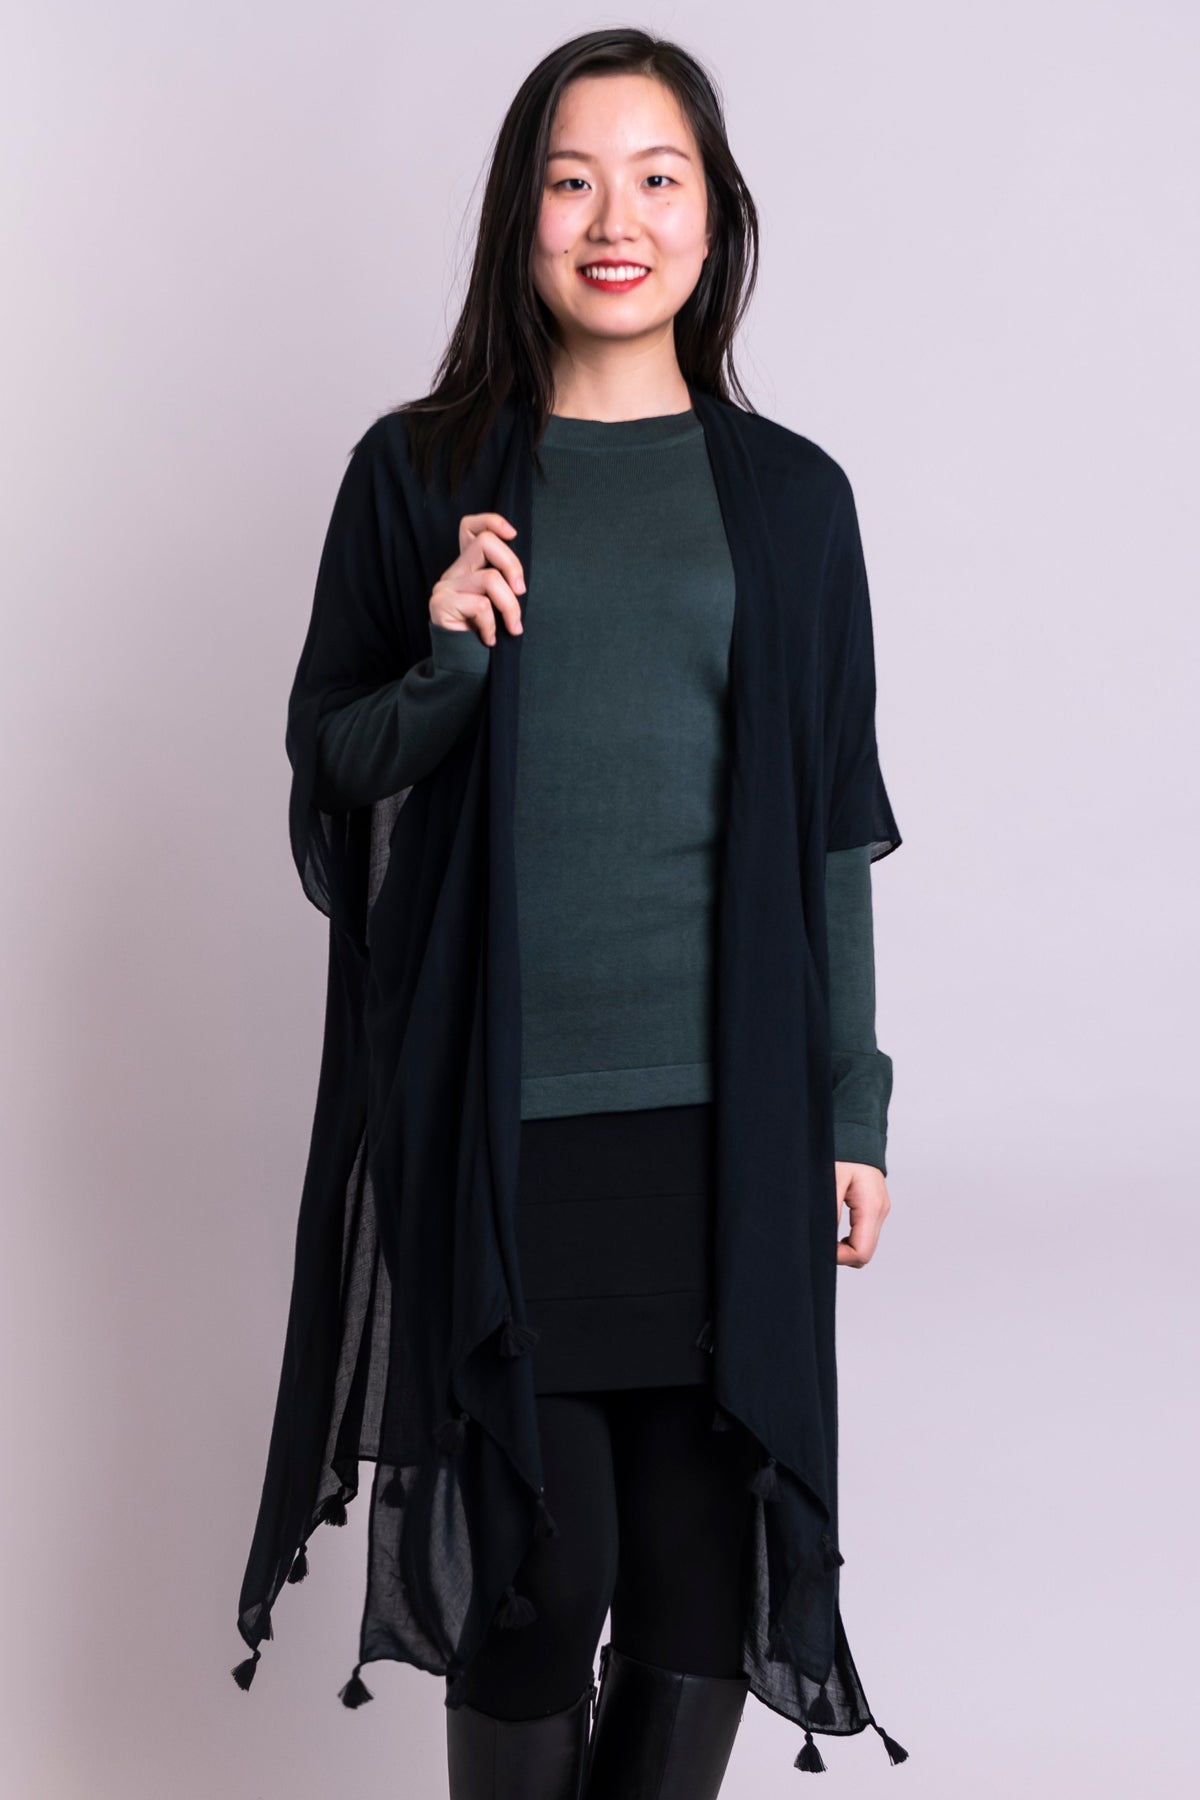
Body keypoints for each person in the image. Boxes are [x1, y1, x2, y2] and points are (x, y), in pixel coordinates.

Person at [233, 28, 908, 1797]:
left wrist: (851, 1107)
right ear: (519, 214)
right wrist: (449, 656)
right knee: (546, 1577)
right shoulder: (418, 472)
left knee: (695, 1593)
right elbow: (333, 765)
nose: (618, 220)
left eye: (657, 179)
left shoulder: (794, 502)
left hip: (728, 1119)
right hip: (503, 1113)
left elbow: (833, 835)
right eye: (573, 180)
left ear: (715, 213)